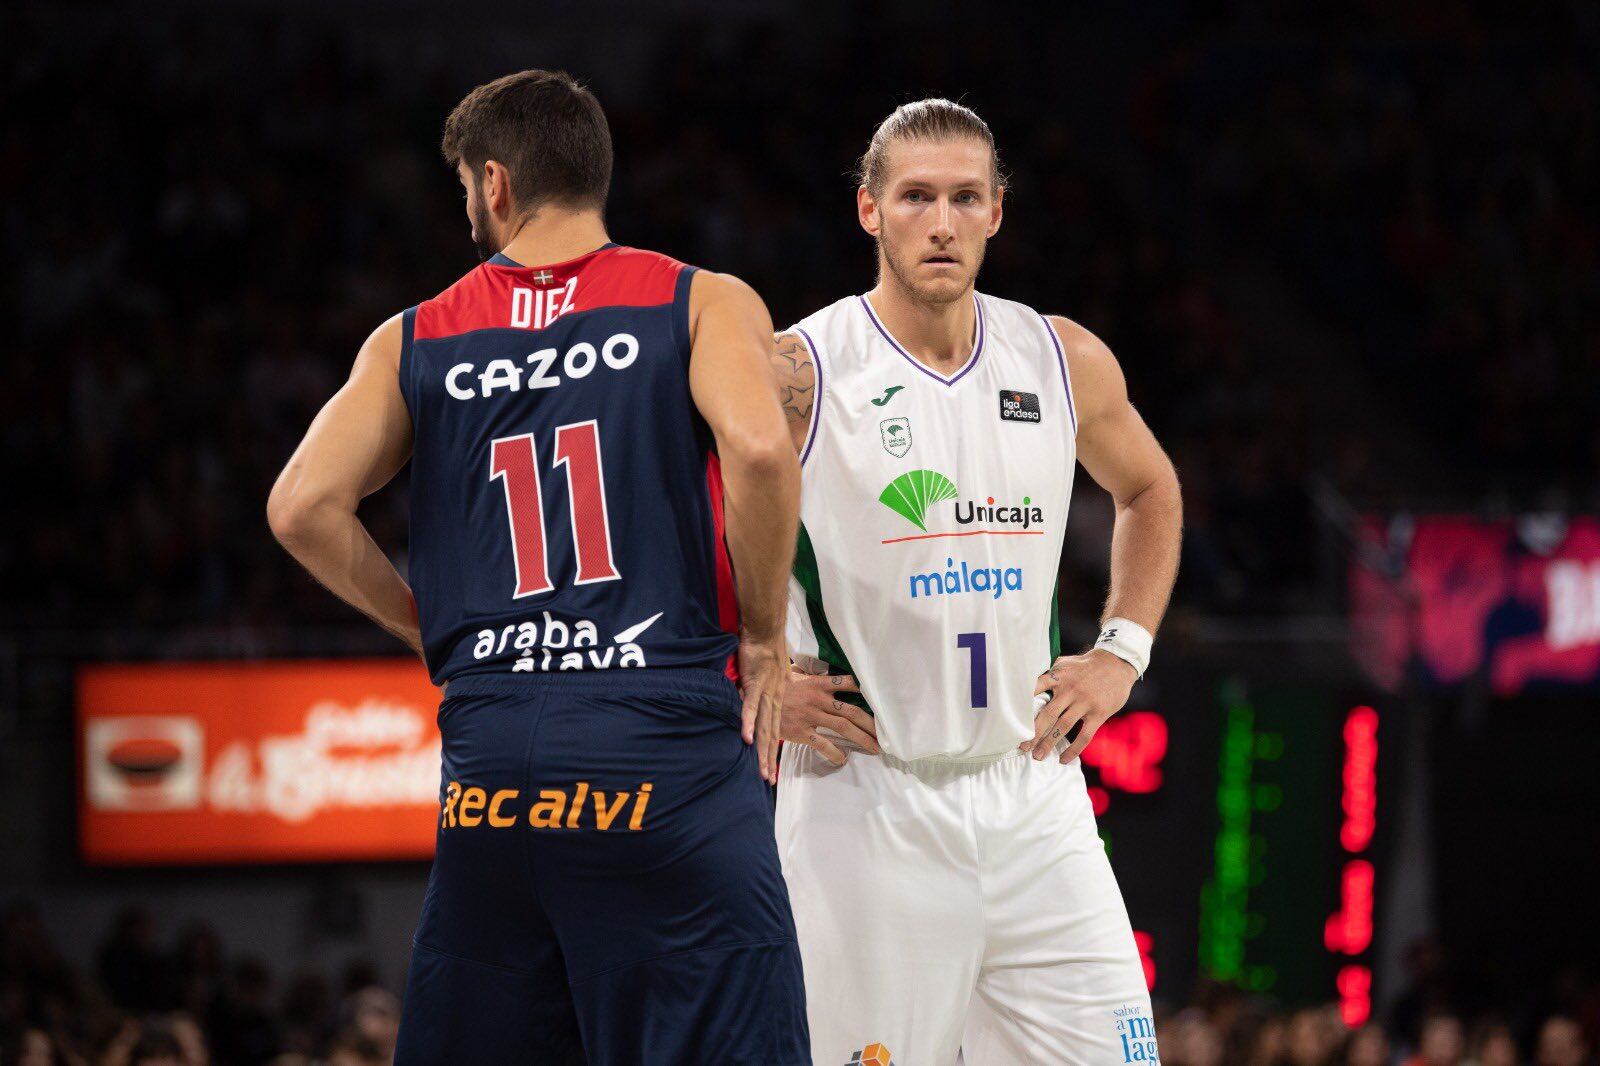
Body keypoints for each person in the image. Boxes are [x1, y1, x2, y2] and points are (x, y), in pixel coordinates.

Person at [269, 69, 807, 1063]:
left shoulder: (414, 335)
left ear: (495, 184)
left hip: (493, 771)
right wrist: (768, 636)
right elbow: (764, 452)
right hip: (661, 744)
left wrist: (423, 625)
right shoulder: (698, 299)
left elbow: (300, 506)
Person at [771, 98, 1182, 1063]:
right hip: (864, 801)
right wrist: (747, 668)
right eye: (916, 196)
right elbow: (668, 532)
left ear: (998, 210)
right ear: (869, 209)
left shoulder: (1061, 356)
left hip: (1034, 794)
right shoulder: (799, 369)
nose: (942, 222)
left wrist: (1123, 653)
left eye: (965, 197)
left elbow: (1152, 488)